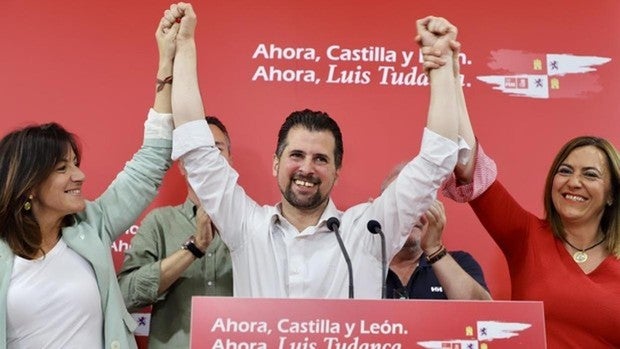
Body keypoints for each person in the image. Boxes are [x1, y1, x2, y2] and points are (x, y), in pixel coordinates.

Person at [166, 3, 470, 298]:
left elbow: (435, 160)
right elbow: (196, 149)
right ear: (276, 163)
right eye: (296, 155)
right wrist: (185, 45)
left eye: (321, 159)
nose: (307, 168)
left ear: (337, 172)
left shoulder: (369, 230)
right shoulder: (246, 226)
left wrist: (442, 67)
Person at [419, 17, 620, 348]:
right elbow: (469, 164)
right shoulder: (527, 237)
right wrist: (449, 72)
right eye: (565, 170)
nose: (574, 182)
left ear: (612, 194)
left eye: (591, 174)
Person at [0, 14, 176, 349]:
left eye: (76, 164)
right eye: (63, 168)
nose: (79, 175)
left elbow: (151, 162)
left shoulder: (91, 225)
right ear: (29, 185)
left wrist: (166, 62)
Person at [117, 115, 233, 349]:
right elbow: (125, 296)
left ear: (229, 159)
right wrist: (193, 249)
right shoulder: (159, 222)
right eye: (197, 150)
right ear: (181, 164)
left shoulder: (252, 224)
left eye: (216, 149)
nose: (207, 157)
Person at [381, 165, 490, 300]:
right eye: (401, 203)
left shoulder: (460, 263)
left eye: (421, 203)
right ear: (379, 209)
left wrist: (434, 249)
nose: (412, 215)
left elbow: (482, 313)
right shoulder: (357, 264)